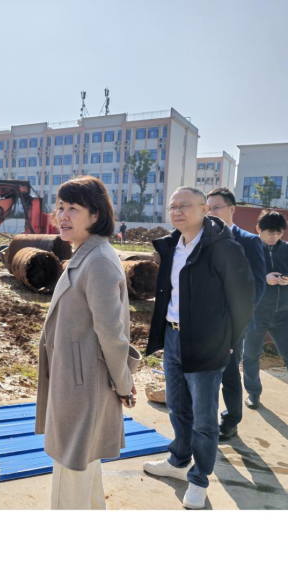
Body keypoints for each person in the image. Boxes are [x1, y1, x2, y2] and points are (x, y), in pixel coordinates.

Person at [143, 187, 255, 509]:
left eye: (184, 206)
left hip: (207, 342)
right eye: (172, 206)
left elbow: (244, 300)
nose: (177, 211)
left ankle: (199, 479)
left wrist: (229, 342)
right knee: (177, 407)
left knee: (205, 418)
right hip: (173, 337)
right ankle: (178, 461)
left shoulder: (223, 248)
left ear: (204, 209)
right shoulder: (171, 246)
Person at [35, 176, 137, 510]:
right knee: (84, 466)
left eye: (73, 209)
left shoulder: (98, 261)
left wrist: (124, 384)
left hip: (82, 384)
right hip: (78, 379)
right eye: (60, 207)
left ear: (96, 215)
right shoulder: (88, 254)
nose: (63, 216)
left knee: (71, 471)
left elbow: (112, 333)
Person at [206, 187, 266, 440]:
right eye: (207, 208)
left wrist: (238, 322)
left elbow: (258, 286)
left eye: (216, 207)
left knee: (229, 373)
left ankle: (231, 420)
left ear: (231, 209)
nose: (211, 213)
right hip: (204, 320)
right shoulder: (201, 239)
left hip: (233, 323)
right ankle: (203, 420)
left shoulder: (249, 241)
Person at [242, 211, 288, 409]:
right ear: (258, 229)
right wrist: (264, 278)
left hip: (284, 314)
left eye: (279, 233)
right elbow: (239, 276)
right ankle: (253, 393)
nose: (274, 237)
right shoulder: (248, 249)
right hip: (257, 313)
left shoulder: (286, 249)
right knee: (251, 354)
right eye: (270, 232)